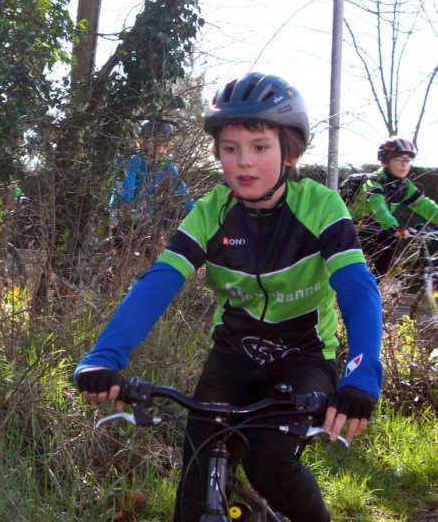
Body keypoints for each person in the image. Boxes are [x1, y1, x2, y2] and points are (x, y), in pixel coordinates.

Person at [76, 72, 383, 522]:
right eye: (230, 148)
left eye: (260, 147)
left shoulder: (321, 206)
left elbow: (358, 290)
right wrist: (105, 356)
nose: (244, 163)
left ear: (289, 151)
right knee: (199, 469)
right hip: (233, 353)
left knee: (270, 461)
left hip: (303, 355)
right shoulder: (211, 211)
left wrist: (361, 376)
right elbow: (159, 281)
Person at [346, 137, 438, 279]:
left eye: (407, 160)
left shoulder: (404, 185)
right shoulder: (374, 181)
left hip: (381, 228)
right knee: (389, 241)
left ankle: (379, 283)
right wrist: (393, 226)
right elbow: (378, 206)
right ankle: (374, 288)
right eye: (398, 159)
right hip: (355, 229)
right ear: (386, 161)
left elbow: (424, 205)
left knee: (389, 244)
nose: (404, 165)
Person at [109, 119, 195, 220]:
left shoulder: (166, 166)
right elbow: (125, 191)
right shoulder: (133, 160)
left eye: (162, 142)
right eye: (151, 140)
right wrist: (128, 211)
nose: (156, 146)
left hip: (145, 220)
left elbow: (180, 191)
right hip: (122, 220)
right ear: (141, 142)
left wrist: (196, 214)